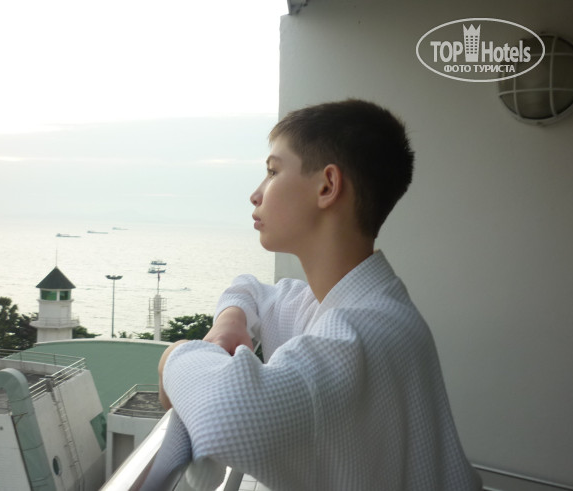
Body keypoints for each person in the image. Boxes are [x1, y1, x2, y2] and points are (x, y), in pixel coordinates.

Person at [156, 99, 482, 490]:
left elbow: (229, 416)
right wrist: (230, 320)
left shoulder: (356, 335)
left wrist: (174, 356)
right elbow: (250, 289)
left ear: (327, 186)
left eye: (273, 172)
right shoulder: (356, 303)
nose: (256, 194)